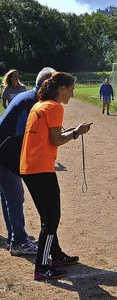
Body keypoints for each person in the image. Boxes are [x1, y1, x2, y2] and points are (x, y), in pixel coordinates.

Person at [20, 72, 92, 280]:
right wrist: (77, 132)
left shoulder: (40, 104)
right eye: (70, 90)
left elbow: (48, 135)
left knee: (49, 216)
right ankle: (42, 267)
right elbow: (56, 140)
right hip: (40, 168)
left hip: (30, 167)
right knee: (51, 218)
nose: (72, 95)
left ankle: (56, 255)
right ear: (61, 89)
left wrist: (74, 131)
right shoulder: (54, 107)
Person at [0, 67, 55, 256]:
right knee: (15, 197)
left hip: (5, 151)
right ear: (46, 84)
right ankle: (18, 242)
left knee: (10, 197)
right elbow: (23, 136)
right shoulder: (32, 101)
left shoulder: (30, 97)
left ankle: (15, 237)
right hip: (6, 153)